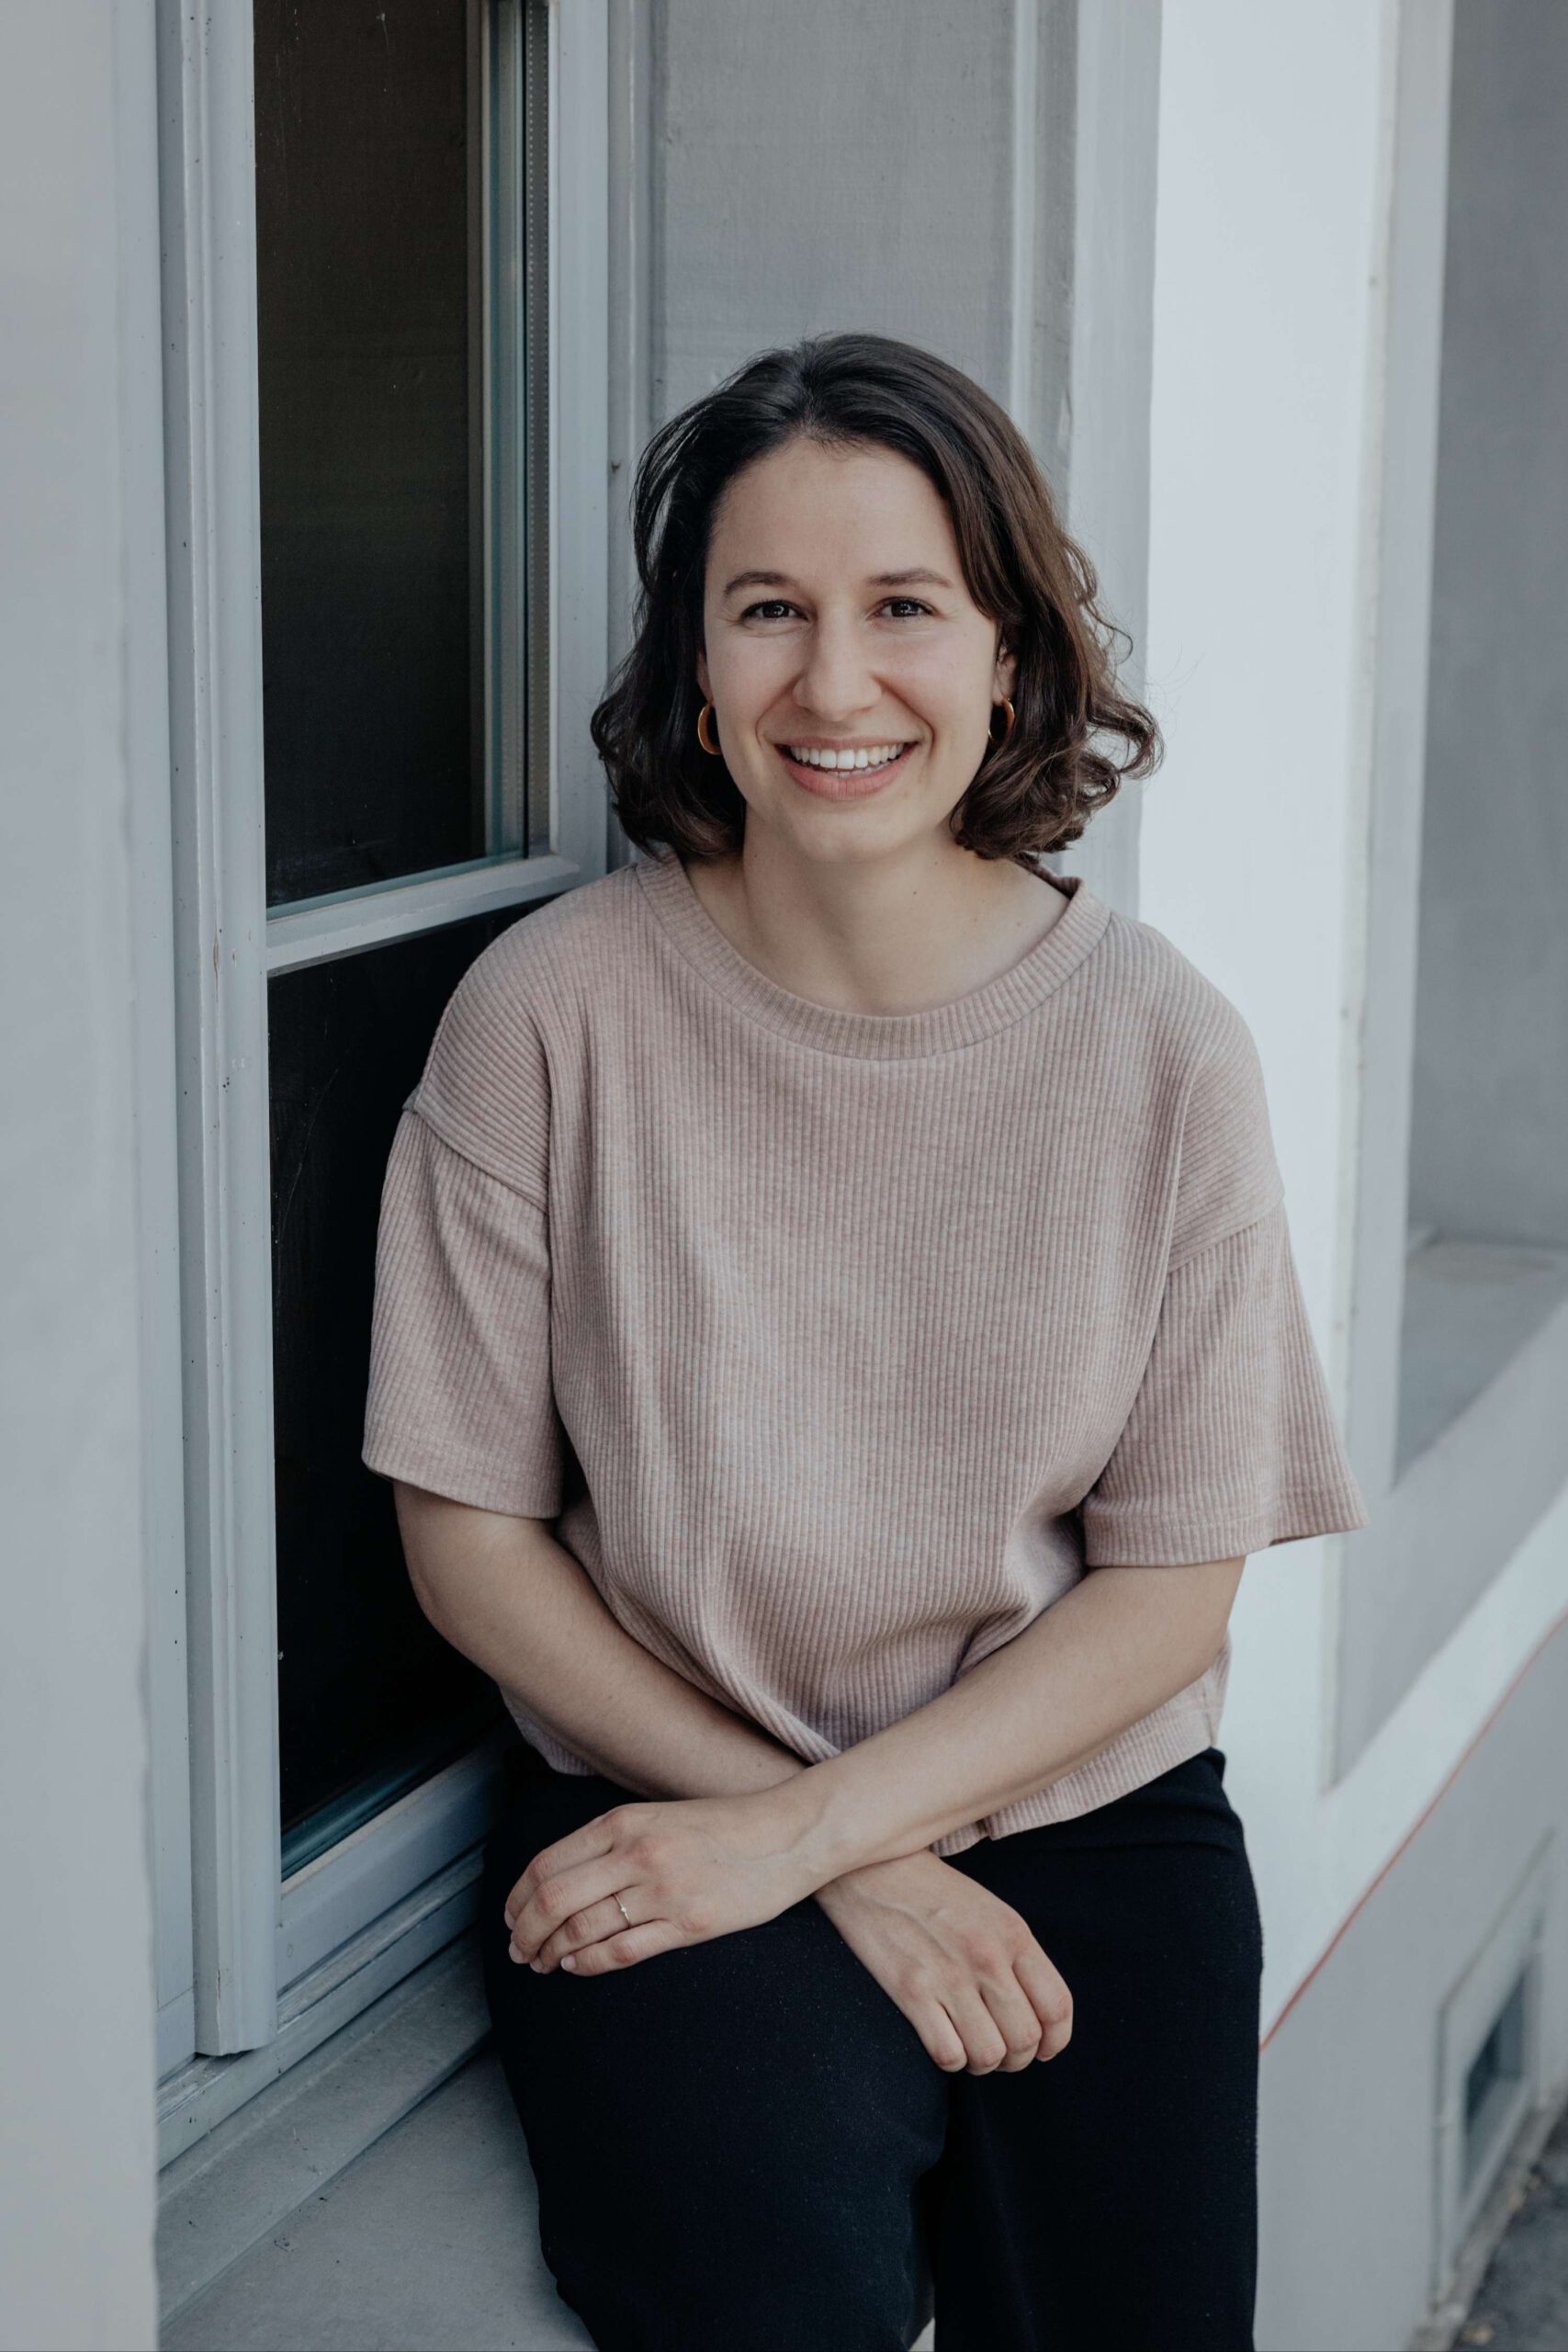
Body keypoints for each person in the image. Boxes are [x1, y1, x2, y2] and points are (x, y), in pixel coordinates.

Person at [361, 331, 1369, 2352]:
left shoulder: (1162, 1048)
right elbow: (468, 1538)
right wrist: (800, 1849)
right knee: (763, 2298)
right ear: (694, 660)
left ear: (1009, 653)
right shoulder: (547, 1014)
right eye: (769, 611)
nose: (833, 686)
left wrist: (823, 1835)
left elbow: (1170, 1585)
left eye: (904, 606)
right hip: (655, 1771)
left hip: (1070, 1792)